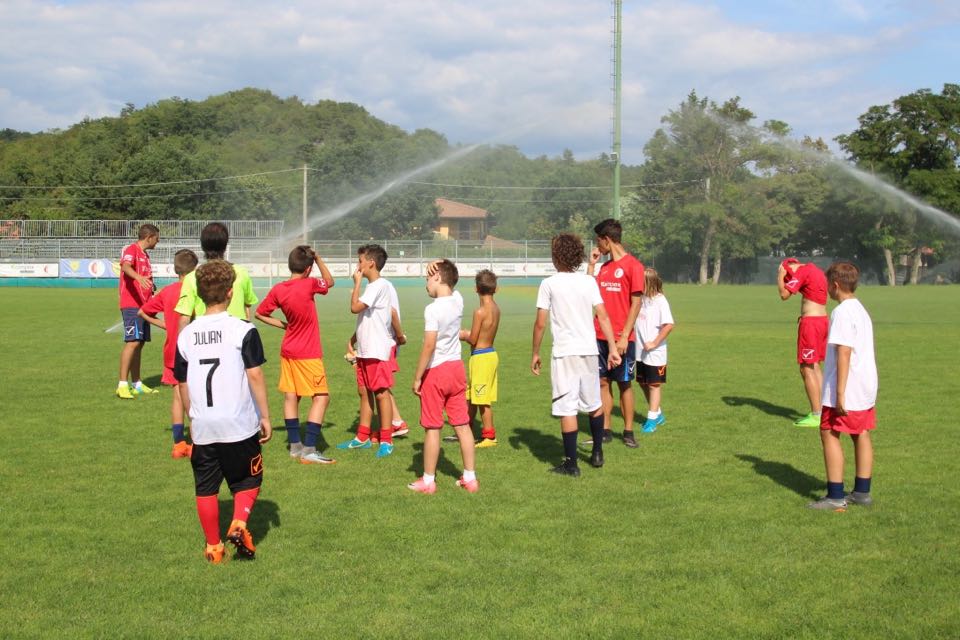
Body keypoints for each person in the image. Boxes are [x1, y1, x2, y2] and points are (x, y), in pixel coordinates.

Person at [173, 260, 272, 563]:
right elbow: (254, 374)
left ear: (199, 295)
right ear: (230, 292)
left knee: (205, 487)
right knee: (249, 479)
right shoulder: (243, 330)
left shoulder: (186, 335)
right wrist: (265, 416)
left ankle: (213, 548)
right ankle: (239, 523)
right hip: (238, 423)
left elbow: (182, 383)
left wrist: (192, 417)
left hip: (203, 424)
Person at [531, 234, 621, 477]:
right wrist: (612, 348)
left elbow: (540, 323)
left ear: (556, 257)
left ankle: (571, 464)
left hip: (565, 354)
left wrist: (535, 352)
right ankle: (597, 452)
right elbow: (603, 315)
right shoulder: (588, 282)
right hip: (589, 351)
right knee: (594, 403)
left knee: (567, 407)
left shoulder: (549, 284)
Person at [255, 246, 336, 465]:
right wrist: (318, 258)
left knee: (292, 396)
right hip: (308, 352)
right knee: (321, 397)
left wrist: (285, 325)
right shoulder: (309, 284)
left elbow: (260, 313)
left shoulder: (279, 289)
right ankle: (309, 449)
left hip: (288, 350)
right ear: (308, 269)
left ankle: (294, 446)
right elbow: (330, 281)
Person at [808, 261, 878, 511]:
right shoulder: (860, 309)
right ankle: (862, 492)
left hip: (848, 388)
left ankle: (835, 496)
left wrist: (839, 393)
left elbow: (844, 352)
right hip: (865, 387)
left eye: (828, 284)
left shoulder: (842, 312)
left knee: (828, 432)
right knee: (861, 433)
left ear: (835, 285)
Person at [408, 259, 477, 494]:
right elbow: (452, 283)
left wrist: (418, 377)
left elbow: (429, 345)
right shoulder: (458, 301)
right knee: (462, 425)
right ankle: (470, 478)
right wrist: (438, 263)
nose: (426, 283)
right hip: (456, 369)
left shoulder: (432, 309)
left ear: (437, 277)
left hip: (436, 372)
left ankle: (428, 481)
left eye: (428, 278)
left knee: (432, 427)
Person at [586, 218, 645, 448]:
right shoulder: (604, 268)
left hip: (622, 338)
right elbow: (588, 294)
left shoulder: (634, 266)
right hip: (599, 336)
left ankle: (628, 431)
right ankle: (606, 429)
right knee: (603, 382)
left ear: (607, 240)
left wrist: (624, 337)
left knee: (624, 383)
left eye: (598, 241)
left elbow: (636, 304)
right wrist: (591, 266)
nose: (597, 246)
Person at [336, 244, 398, 458]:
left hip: (376, 350)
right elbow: (368, 319)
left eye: (360, 261)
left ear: (371, 263)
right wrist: (353, 339)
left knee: (381, 393)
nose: (358, 265)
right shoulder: (374, 287)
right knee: (364, 392)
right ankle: (362, 437)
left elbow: (354, 308)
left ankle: (386, 439)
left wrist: (357, 283)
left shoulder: (378, 285)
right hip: (365, 350)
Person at [138, 248, 199, 458]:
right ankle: (196, 442)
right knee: (195, 397)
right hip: (194, 351)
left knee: (177, 397)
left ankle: (178, 444)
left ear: (176, 270)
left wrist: (165, 325)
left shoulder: (167, 291)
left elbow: (143, 312)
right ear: (195, 270)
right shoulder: (198, 290)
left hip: (172, 350)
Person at [176, 222, 258, 329]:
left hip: (205, 335)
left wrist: (183, 338)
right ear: (225, 245)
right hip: (236, 333)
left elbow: (185, 317)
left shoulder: (192, 278)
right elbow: (247, 305)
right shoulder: (241, 273)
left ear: (202, 246)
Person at [777, 257, 829, 427]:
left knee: (806, 368)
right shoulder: (816, 271)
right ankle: (824, 412)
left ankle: (816, 415)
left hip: (811, 324)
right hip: (822, 322)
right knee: (815, 366)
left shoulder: (802, 272)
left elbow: (784, 295)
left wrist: (780, 276)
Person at [116, 223, 160, 400]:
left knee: (140, 343)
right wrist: (139, 277)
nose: (158, 242)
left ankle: (137, 383)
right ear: (149, 237)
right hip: (131, 304)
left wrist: (150, 288)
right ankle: (122, 385)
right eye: (157, 238)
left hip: (144, 305)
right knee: (132, 341)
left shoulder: (145, 255)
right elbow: (125, 266)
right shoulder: (132, 249)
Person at [459, 269, 501, 448]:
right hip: (490, 354)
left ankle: (489, 436)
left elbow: (473, 339)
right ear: (496, 289)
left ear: (476, 288)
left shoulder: (479, 312)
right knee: (472, 397)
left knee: (482, 399)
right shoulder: (496, 308)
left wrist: (463, 334)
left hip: (481, 358)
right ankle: (465, 431)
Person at [634, 268, 674, 434]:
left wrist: (654, 343)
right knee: (643, 382)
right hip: (639, 351)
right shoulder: (640, 299)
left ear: (648, 282)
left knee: (654, 385)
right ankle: (657, 414)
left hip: (655, 353)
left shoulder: (660, 301)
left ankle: (651, 421)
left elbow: (669, 325)